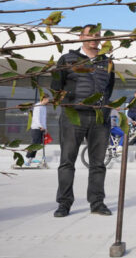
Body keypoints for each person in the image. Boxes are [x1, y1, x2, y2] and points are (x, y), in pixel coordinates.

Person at [51, 24, 115, 217]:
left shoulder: (107, 62)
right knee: (67, 161)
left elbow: (108, 88)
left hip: (98, 118)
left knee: (98, 163)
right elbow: (56, 86)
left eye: (97, 36)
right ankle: (64, 204)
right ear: (81, 37)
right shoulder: (67, 59)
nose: (94, 39)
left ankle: (97, 203)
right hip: (74, 117)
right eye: (90, 35)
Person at [24, 95, 49, 166]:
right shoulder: (38, 106)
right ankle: (27, 158)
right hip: (36, 128)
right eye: (47, 99)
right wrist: (41, 126)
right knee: (34, 144)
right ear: (43, 99)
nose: (48, 101)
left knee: (38, 144)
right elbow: (36, 118)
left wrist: (45, 128)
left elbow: (43, 119)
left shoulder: (44, 107)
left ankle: (31, 158)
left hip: (41, 128)